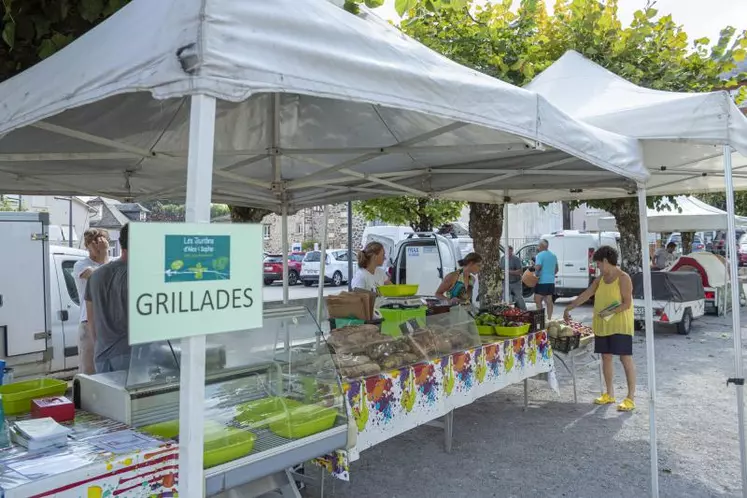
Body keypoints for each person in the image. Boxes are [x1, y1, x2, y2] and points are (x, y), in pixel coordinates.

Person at [563, 246, 636, 412]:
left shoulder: (624, 278)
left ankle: (630, 397)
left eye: (598, 264)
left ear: (605, 261)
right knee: (606, 358)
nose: (598, 268)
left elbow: (627, 303)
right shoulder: (600, 279)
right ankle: (609, 394)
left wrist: (609, 312)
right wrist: (570, 307)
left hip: (621, 326)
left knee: (625, 359)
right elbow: (586, 294)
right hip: (602, 326)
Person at [85, 223, 130, 373]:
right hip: (130, 355)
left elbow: (91, 321)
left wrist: (100, 345)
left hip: (102, 354)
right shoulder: (138, 274)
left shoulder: (96, 276)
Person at [73, 229, 110, 374]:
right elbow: (99, 277)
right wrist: (104, 254)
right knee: (89, 369)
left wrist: (105, 255)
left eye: (100, 241)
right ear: (87, 245)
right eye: (93, 242)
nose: (97, 245)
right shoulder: (81, 265)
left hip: (110, 321)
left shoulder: (112, 261)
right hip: (89, 321)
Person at [534, 239, 558, 319]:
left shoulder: (540, 255)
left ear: (541, 246)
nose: (538, 247)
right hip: (551, 281)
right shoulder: (553, 255)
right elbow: (556, 269)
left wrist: (532, 268)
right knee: (549, 300)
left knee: (537, 299)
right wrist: (550, 274)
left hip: (541, 281)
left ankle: (540, 319)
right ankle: (549, 318)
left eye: (538, 245)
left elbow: (538, 267)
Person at [500, 246, 526, 310]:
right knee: (506, 298)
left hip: (516, 282)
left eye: (509, 251)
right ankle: (508, 312)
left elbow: (520, 271)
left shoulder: (516, 259)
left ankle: (524, 311)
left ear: (512, 251)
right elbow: (500, 270)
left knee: (519, 297)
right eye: (506, 251)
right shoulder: (502, 259)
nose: (507, 252)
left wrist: (508, 271)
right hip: (505, 282)